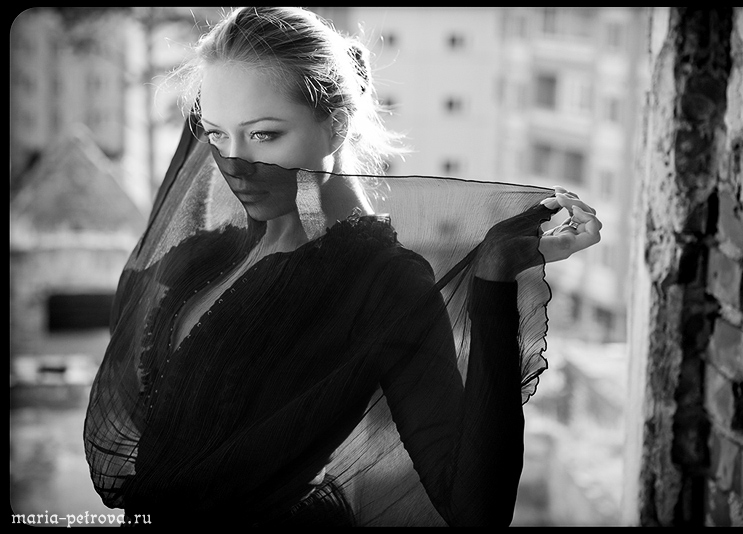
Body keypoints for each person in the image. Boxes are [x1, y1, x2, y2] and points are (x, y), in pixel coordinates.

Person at [84, 6, 602, 527]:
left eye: (264, 135)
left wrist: (495, 279)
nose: (234, 165)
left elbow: (475, 509)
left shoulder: (384, 286)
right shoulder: (213, 252)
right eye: (217, 134)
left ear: (336, 126)